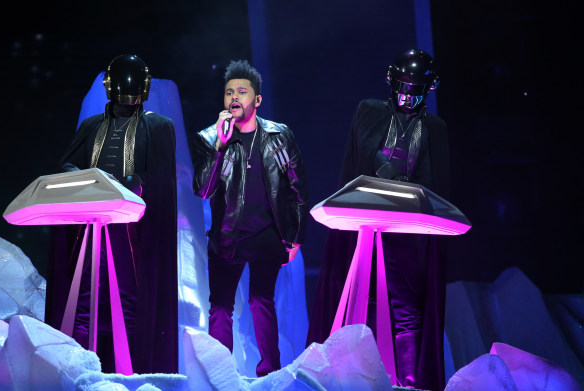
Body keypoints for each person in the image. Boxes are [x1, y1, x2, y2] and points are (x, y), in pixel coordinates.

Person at [306, 49, 450, 390]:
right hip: (365, 229)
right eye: (403, 88)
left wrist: (407, 186)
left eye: (415, 90)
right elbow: (353, 167)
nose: (408, 97)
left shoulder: (433, 128)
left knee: (406, 310)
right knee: (358, 299)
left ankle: (409, 383)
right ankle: (351, 378)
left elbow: (437, 185)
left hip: (408, 234)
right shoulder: (369, 112)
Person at [46, 54, 178, 374]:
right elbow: (68, 163)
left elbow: (161, 178)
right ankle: (80, 373)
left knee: (129, 299)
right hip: (88, 228)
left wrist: (136, 183)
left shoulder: (158, 126)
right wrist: (80, 177)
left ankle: (129, 373)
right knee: (83, 299)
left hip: (130, 233)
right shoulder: (92, 127)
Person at [192, 59, 309, 377]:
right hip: (226, 236)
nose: (234, 97)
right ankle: (221, 373)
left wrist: (295, 236)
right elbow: (202, 190)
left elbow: (297, 189)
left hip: (267, 236)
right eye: (229, 92)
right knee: (219, 308)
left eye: (241, 92)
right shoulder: (207, 138)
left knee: (261, 301)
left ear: (256, 100)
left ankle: (270, 371)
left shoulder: (278, 136)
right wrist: (219, 146)